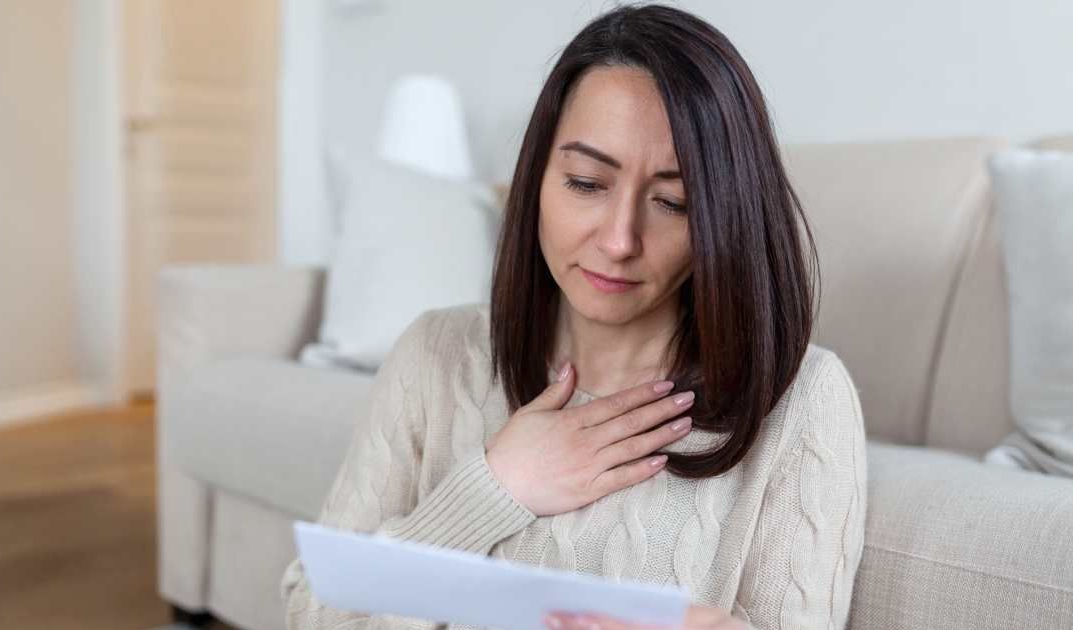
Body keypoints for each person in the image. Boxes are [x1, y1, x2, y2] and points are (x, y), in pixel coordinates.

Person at [281, 4, 867, 630]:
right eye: (587, 183)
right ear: (537, 177)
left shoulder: (804, 400)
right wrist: (492, 488)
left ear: (722, 217)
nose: (619, 240)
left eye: (672, 201)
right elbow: (312, 611)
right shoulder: (436, 354)